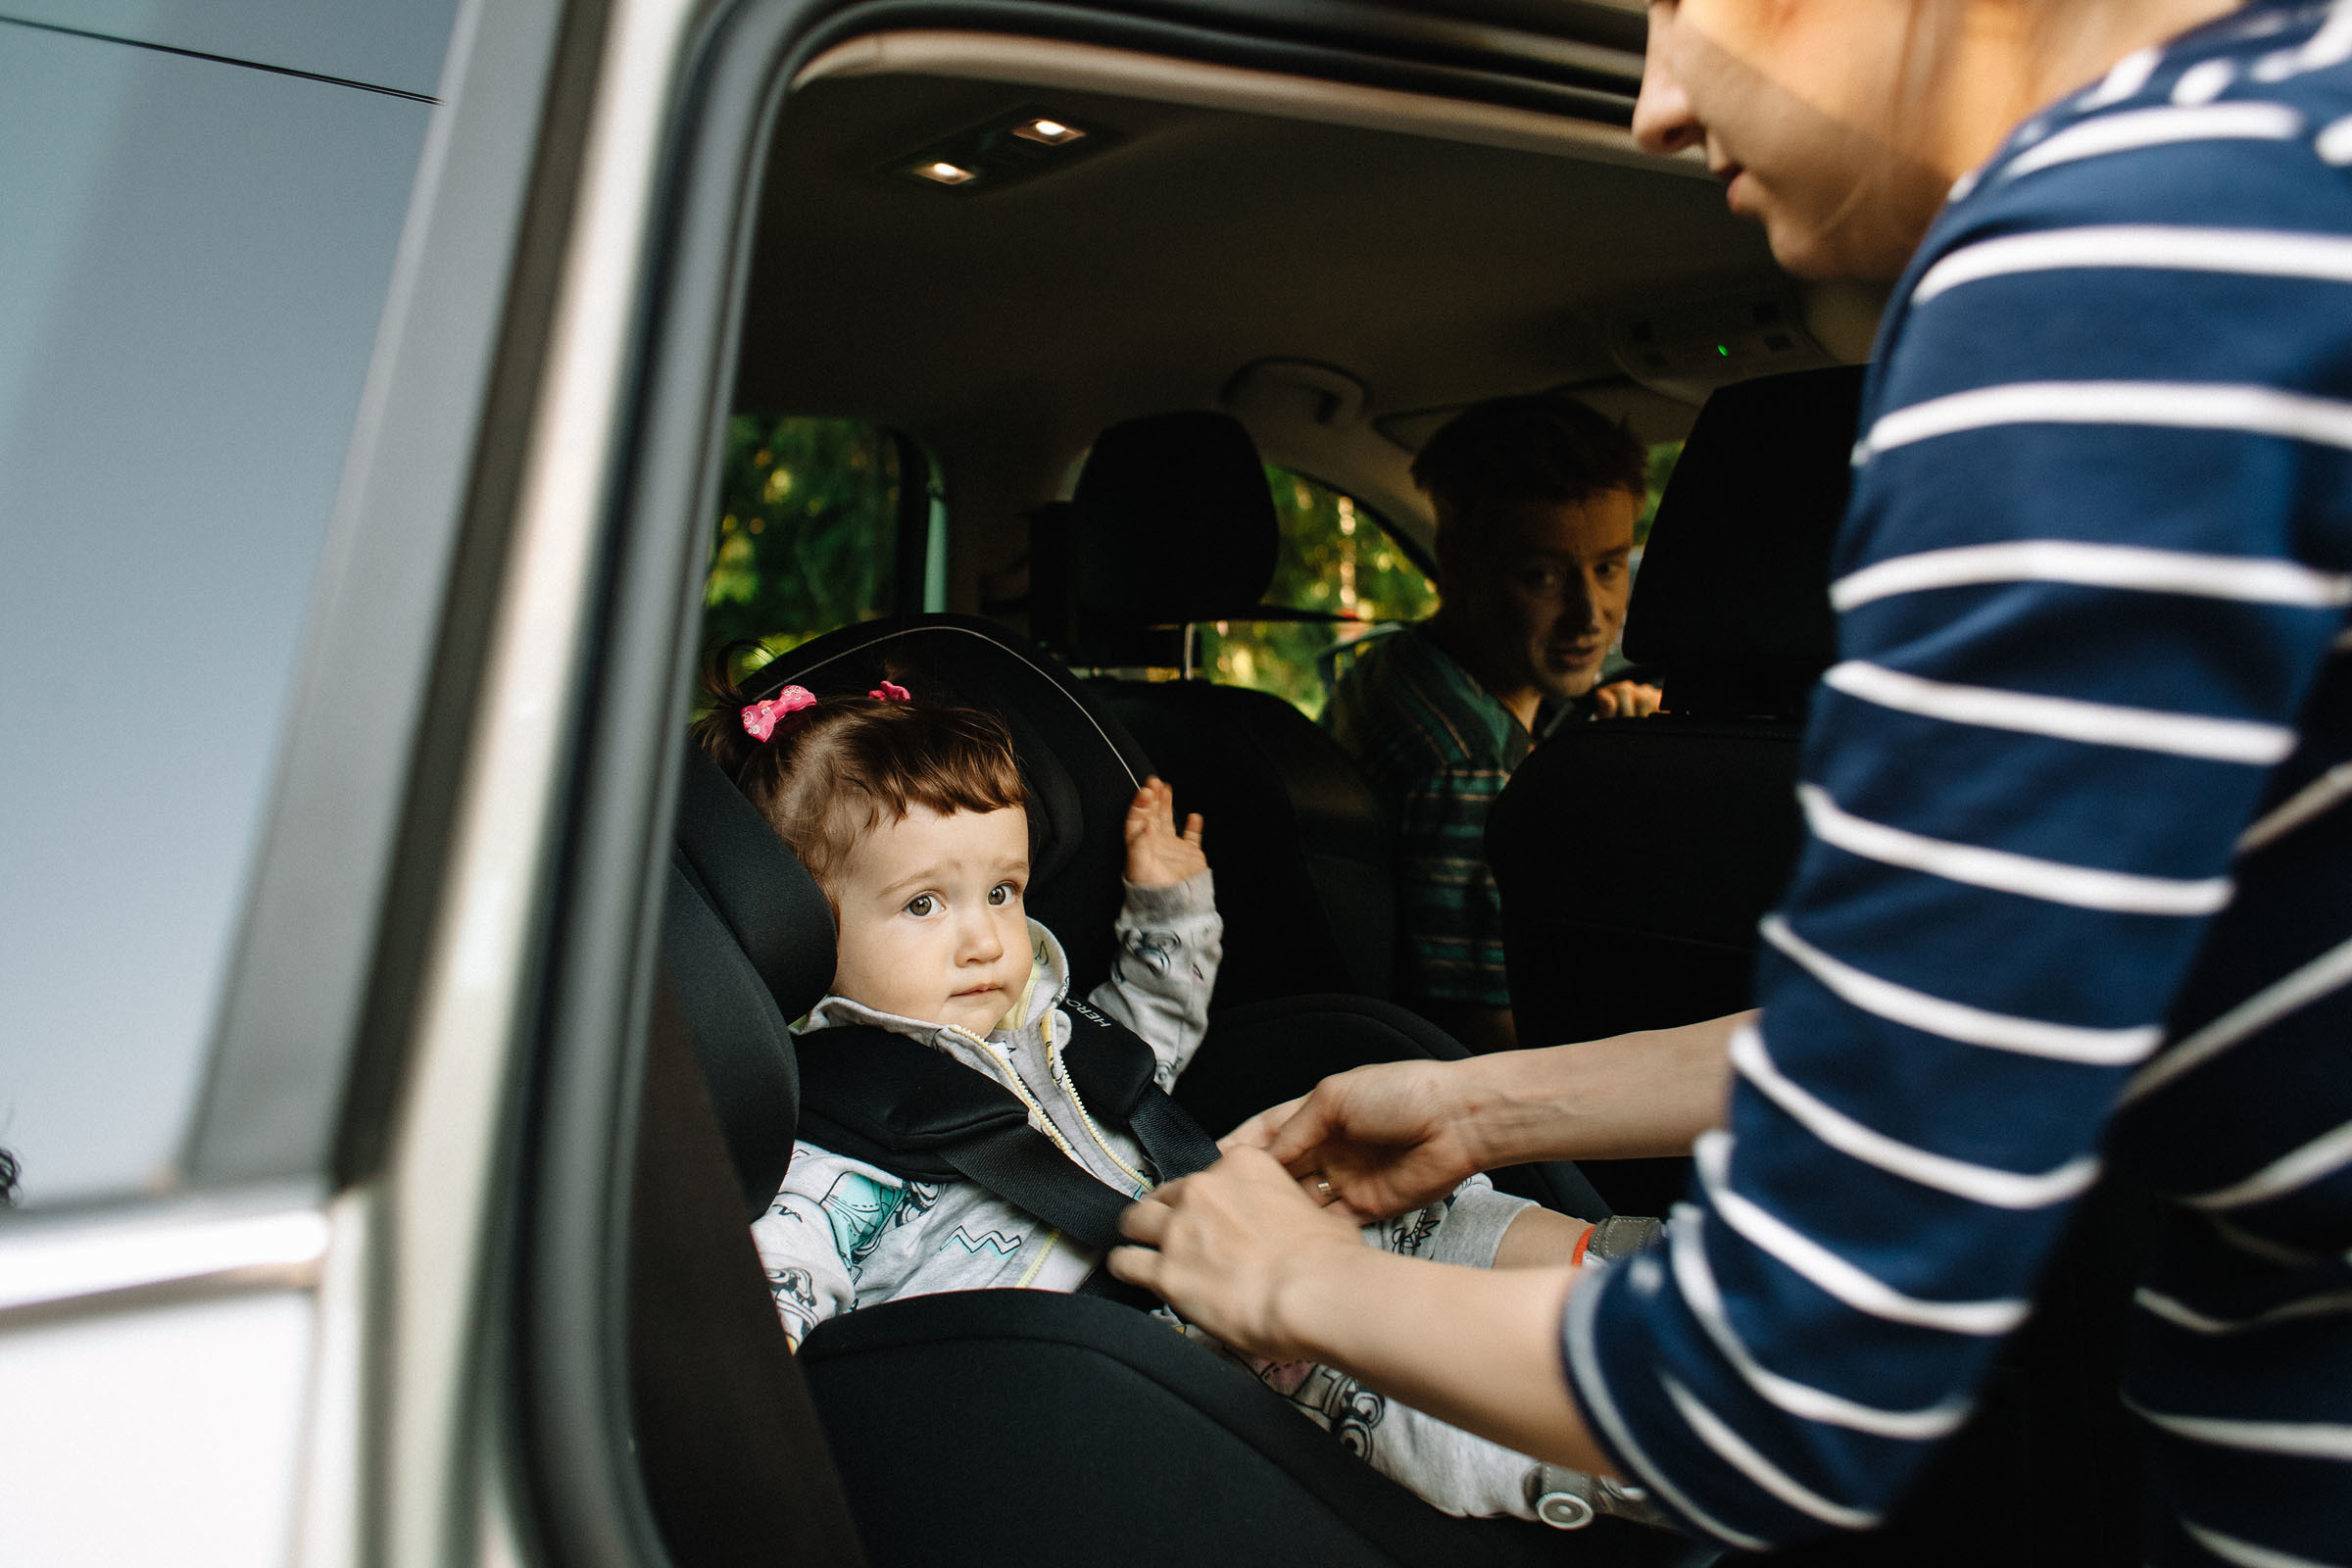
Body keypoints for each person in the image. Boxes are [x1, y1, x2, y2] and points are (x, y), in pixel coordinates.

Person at [1112, 2, 2352, 1562]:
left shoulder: (2116, 257)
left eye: (1690, 0)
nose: (1656, 104)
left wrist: (1280, 1278)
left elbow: (1787, 1379)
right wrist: (1485, 1103)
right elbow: (2037, 1017)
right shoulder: (2291, 182)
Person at [691, 670, 1625, 1523]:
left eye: (1005, 891)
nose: (983, 939)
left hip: (1204, 1269)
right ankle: (1623, 1457)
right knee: (1373, 1399)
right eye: (924, 905)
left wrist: (1168, 910)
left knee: (1428, 1208)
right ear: (804, 929)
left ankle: (1621, 1273)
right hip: (1125, 1381)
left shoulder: (1044, 1030)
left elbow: (1150, 1046)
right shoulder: (831, 1140)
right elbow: (779, 1282)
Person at [1323, 394, 1664, 1054]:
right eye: (1542, 576)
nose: (1588, 615)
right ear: (1457, 562)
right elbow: (1490, 1036)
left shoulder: (1397, 667)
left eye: (1608, 568)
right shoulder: (1470, 764)